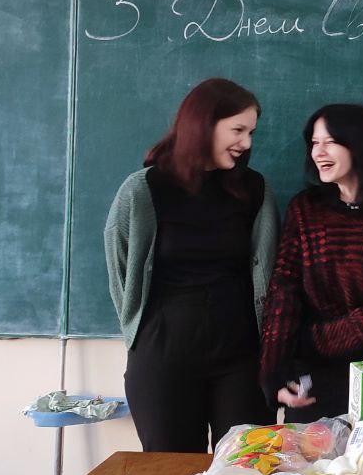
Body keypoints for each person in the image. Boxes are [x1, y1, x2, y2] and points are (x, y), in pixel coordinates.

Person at [105, 78, 279, 453]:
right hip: (163, 359)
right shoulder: (142, 190)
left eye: (250, 133)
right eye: (238, 130)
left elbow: (268, 273)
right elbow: (121, 274)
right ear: (203, 124)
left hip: (241, 359)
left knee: (247, 470)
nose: (246, 143)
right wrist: (142, 334)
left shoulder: (255, 190)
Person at [259, 104, 363, 421]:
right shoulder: (305, 208)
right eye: (314, 143)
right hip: (310, 378)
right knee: (306, 453)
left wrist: (315, 340)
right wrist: (273, 374)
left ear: (358, 144)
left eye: (330, 141)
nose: (318, 152)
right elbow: (283, 293)